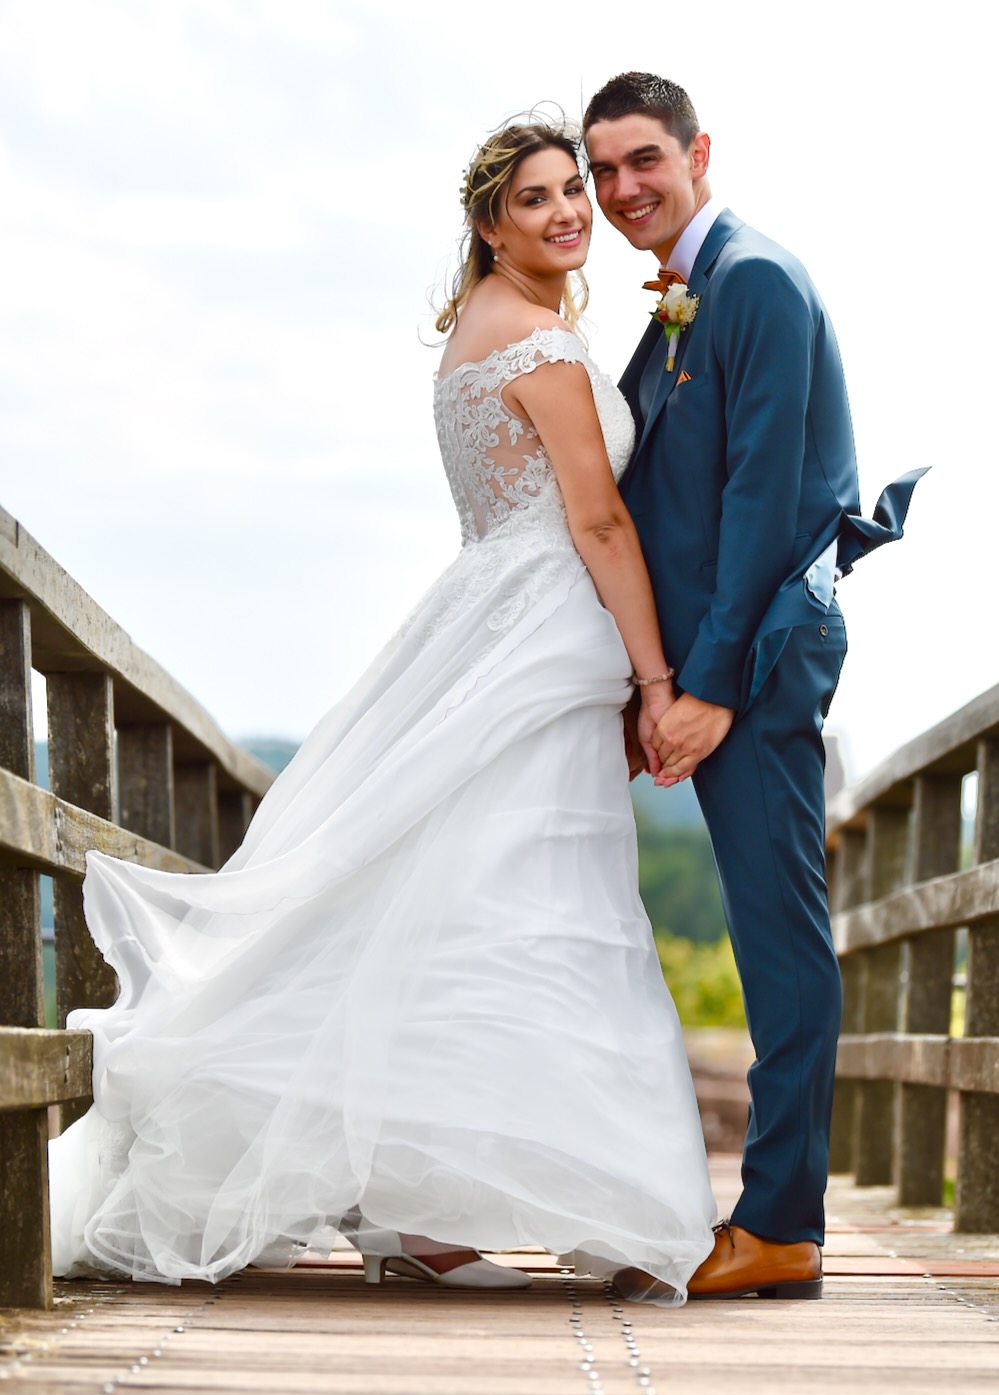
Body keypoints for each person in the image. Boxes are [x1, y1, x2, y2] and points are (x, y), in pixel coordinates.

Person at [48, 117, 717, 1304]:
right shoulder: (546, 347)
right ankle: (500, 1202)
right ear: (488, 220)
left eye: (578, 190)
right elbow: (600, 523)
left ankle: (429, 1209)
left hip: (485, 616)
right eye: (539, 198)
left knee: (474, 893)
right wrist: (659, 680)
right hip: (550, 628)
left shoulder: (473, 336)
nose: (571, 212)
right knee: (543, 897)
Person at [583, 73, 925, 1300]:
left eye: (643, 161)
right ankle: (770, 1216)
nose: (624, 188)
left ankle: (781, 1221)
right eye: (604, 168)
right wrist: (647, 681)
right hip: (708, 662)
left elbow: (765, 500)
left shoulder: (759, 281)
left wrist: (710, 686)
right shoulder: (695, 290)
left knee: (779, 936)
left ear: (697, 151)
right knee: (768, 928)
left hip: (761, 661)